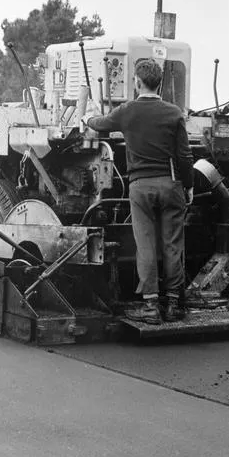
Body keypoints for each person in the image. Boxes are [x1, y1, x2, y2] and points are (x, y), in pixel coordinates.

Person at [84, 59, 194, 324]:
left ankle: (151, 306)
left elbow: (99, 124)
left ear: (137, 82)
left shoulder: (127, 111)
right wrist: (188, 186)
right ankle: (173, 305)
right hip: (170, 185)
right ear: (161, 83)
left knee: (145, 245)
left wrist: (85, 115)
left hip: (140, 188)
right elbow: (185, 156)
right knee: (172, 245)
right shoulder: (174, 113)